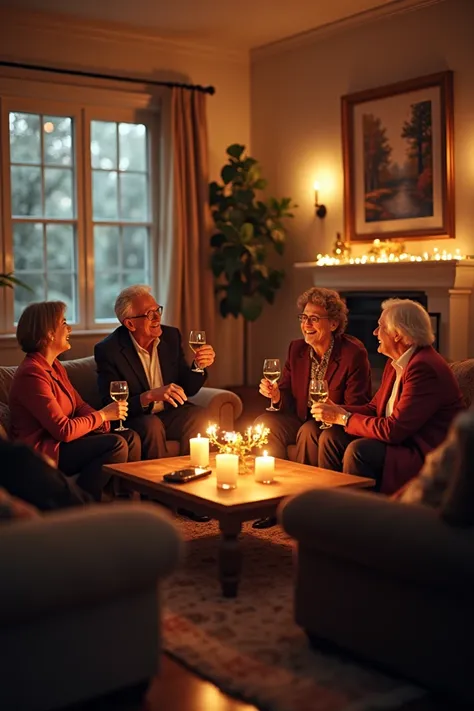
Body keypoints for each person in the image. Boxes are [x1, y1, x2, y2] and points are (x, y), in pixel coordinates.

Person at [312, 298, 464, 494]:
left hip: (422, 450)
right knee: (331, 436)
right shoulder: (397, 362)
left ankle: (360, 518)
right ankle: (331, 504)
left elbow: (393, 430)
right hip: (401, 441)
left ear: (398, 334)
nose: (375, 333)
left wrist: (341, 417)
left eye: (380, 327)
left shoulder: (424, 367)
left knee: (359, 451)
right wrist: (336, 409)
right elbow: (375, 409)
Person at [252, 286, 372, 528]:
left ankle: (306, 506)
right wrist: (276, 395)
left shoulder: (353, 353)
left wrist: (332, 409)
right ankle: (272, 504)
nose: (306, 323)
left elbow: (357, 404)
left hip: (334, 422)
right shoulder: (296, 349)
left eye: (314, 319)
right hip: (300, 416)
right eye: (304, 317)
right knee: (263, 423)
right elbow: (286, 392)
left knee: (309, 430)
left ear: (334, 324)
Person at [9, 301, 141, 502]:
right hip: (47, 450)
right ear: (49, 333)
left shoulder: (54, 366)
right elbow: (63, 430)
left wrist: (104, 423)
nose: (69, 328)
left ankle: (128, 503)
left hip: (65, 442)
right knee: (115, 444)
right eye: (63, 323)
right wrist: (103, 415)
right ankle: (79, 504)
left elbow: (78, 406)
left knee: (130, 437)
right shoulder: (32, 374)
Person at [94, 284, 216, 460]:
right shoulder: (109, 350)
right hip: (137, 417)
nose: (157, 317)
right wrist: (149, 396)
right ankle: (155, 485)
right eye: (149, 314)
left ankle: (192, 474)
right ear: (130, 323)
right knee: (152, 424)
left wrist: (198, 365)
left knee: (200, 415)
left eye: (157, 310)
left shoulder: (171, 336)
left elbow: (187, 389)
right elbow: (110, 402)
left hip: (169, 413)